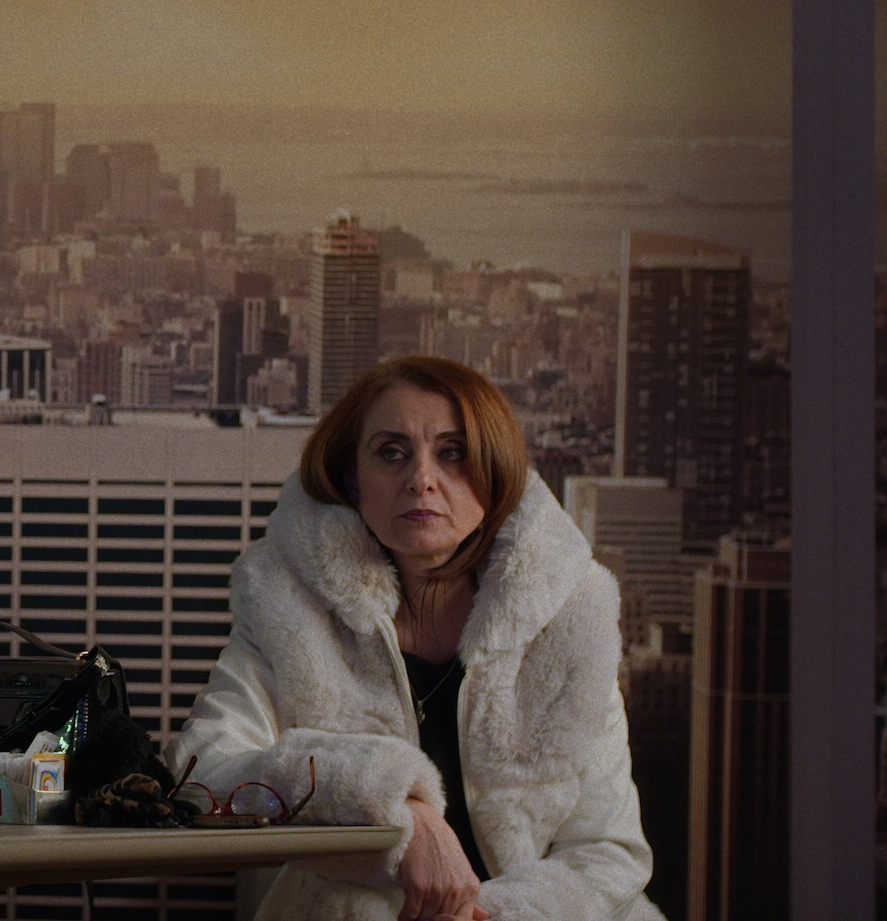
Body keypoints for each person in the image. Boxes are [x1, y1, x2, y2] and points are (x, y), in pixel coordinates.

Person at [168, 356, 662, 921]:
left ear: (495, 475)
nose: (421, 478)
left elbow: (608, 852)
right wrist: (392, 810)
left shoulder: (570, 616)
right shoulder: (287, 604)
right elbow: (202, 774)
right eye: (391, 453)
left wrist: (490, 916)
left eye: (453, 453)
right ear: (352, 478)